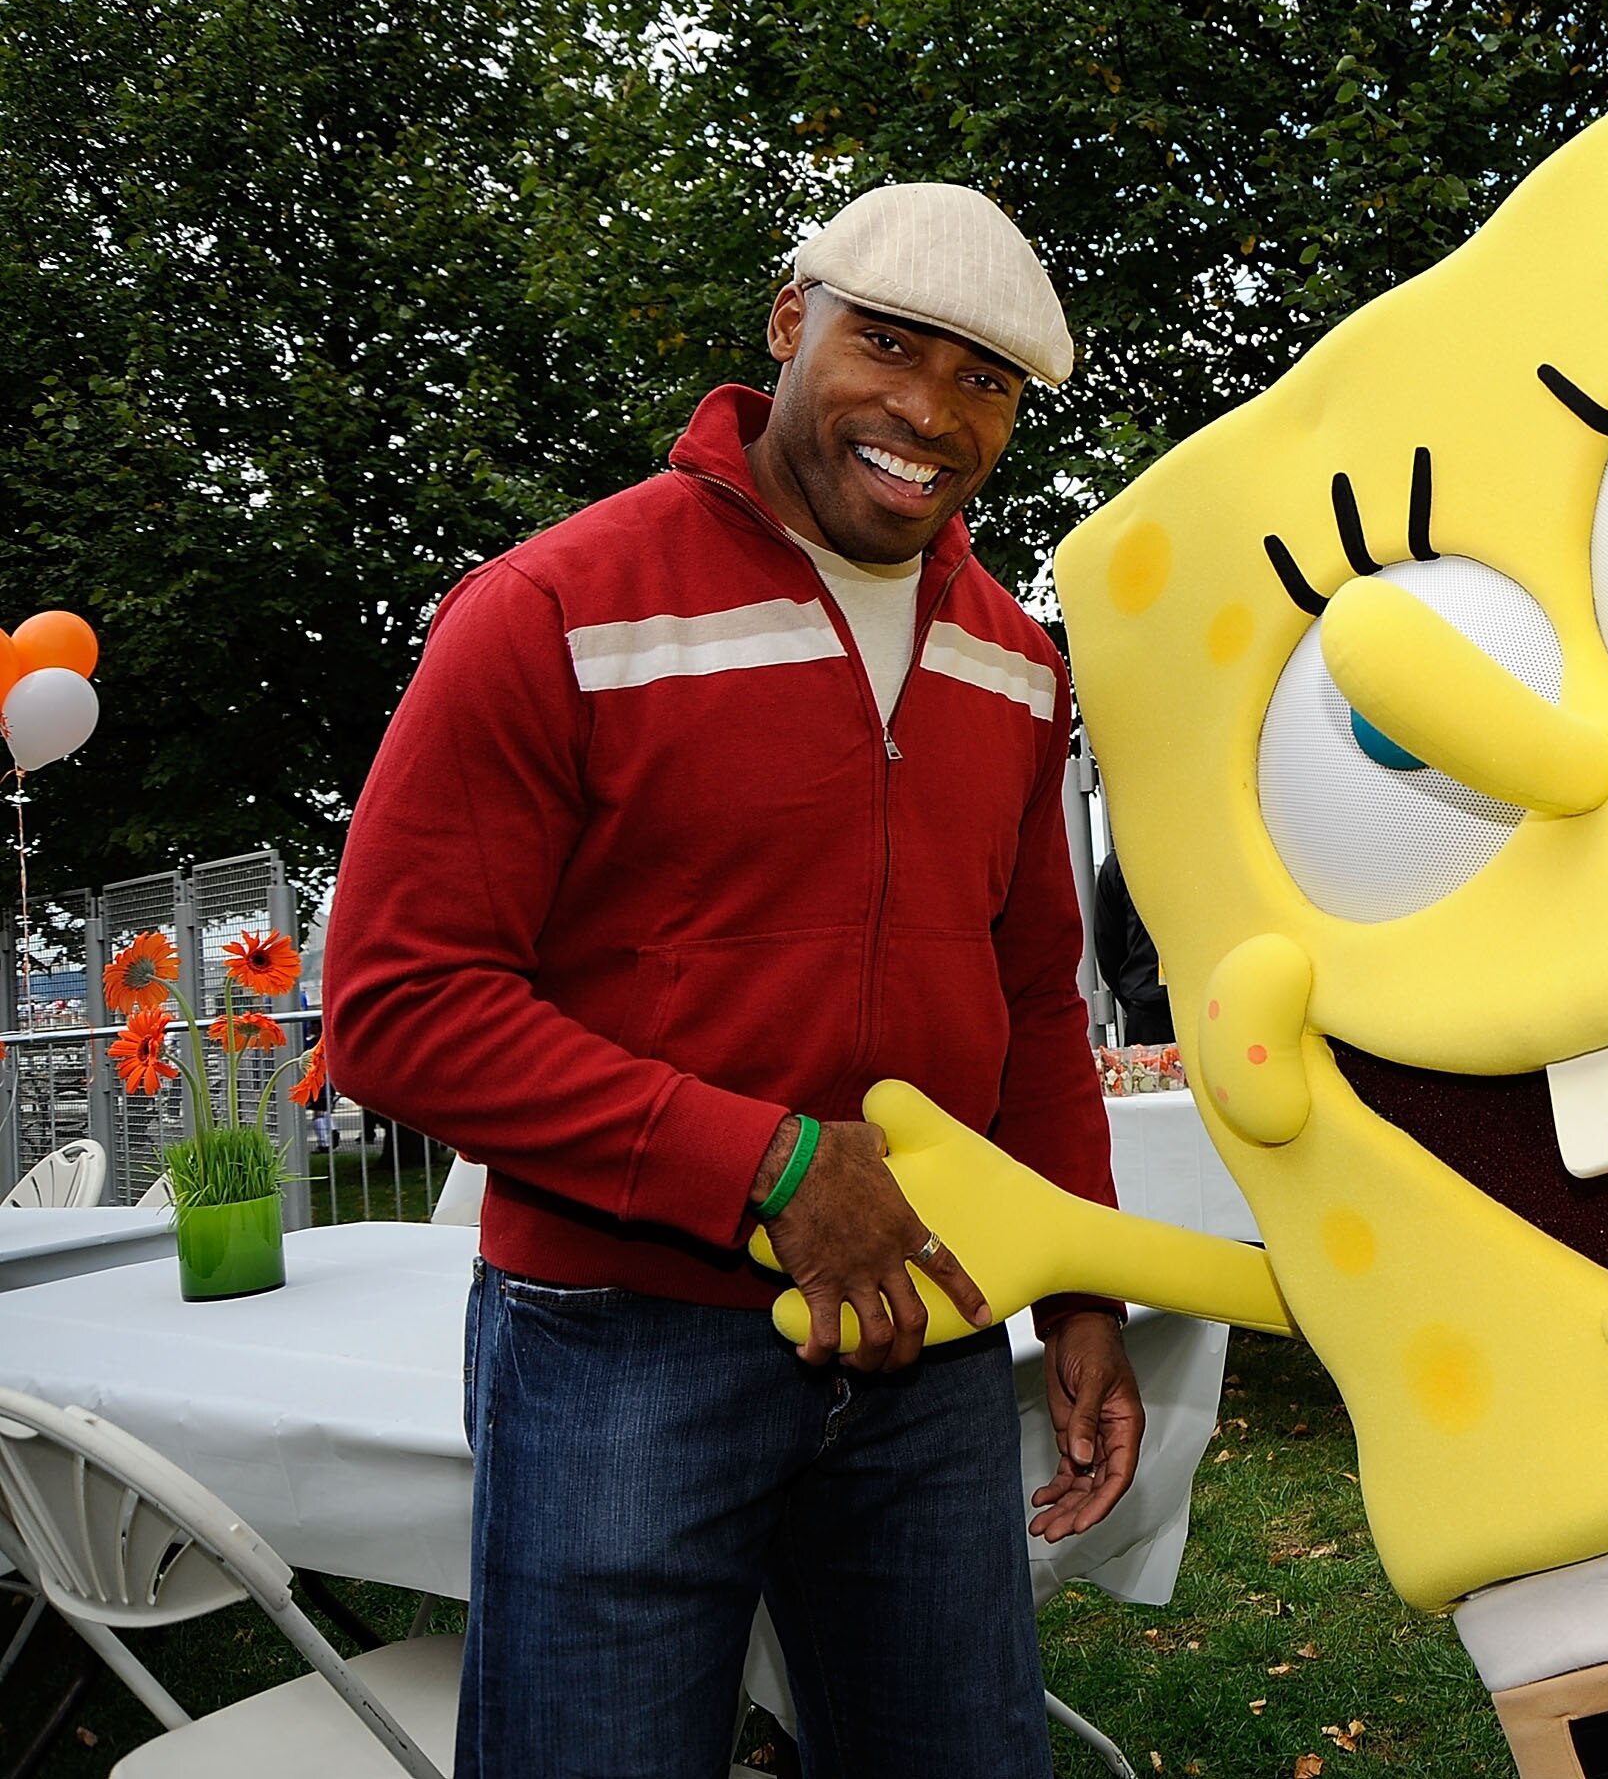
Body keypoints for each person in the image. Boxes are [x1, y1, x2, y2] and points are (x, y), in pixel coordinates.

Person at [327, 183, 1142, 1778]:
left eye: (985, 379)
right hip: (619, 1343)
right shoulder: (553, 606)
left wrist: (1086, 1289)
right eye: (888, 345)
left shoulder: (1015, 659)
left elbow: (1038, 996)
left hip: (930, 1332)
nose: (929, 409)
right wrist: (765, 1164)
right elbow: (398, 1004)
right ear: (789, 326)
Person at [1094, 850, 1176, 1046]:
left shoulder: (1122, 861)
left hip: (1149, 1009)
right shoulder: (1120, 864)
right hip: (1154, 1012)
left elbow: (1108, 949)